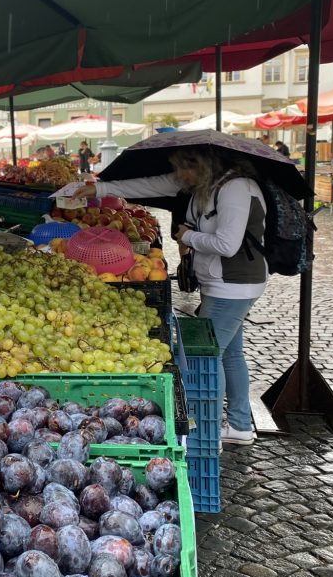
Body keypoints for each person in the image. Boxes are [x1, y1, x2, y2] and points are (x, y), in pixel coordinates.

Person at [72, 147, 267, 445]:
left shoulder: (236, 188)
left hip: (234, 284)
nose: (178, 177)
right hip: (220, 282)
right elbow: (151, 184)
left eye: (182, 170)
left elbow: (227, 244)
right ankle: (239, 424)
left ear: (200, 164)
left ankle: (207, 432)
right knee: (229, 352)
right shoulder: (205, 184)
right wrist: (98, 188)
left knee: (206, 355)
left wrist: (186, 235)